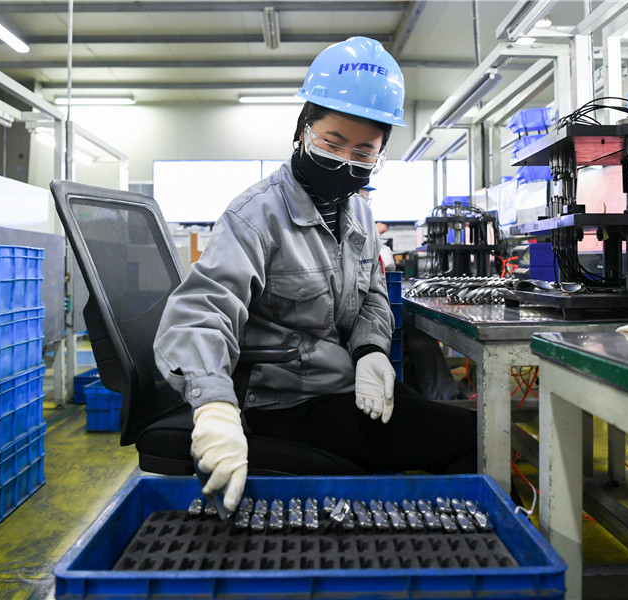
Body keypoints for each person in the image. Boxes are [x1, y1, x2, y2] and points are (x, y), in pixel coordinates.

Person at [153, 37, 477, 514]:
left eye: (364, 152)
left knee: (468, 431)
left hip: (337, 384)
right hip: (282, 401)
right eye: (332, 142)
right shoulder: (254, 216)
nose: (345, 161)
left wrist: (369, 351)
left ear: (380, 154)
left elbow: (371, 296)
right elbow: (201, 312)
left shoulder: (358, 214)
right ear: (302, 131)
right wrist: (214, 406)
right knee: (471, 440)